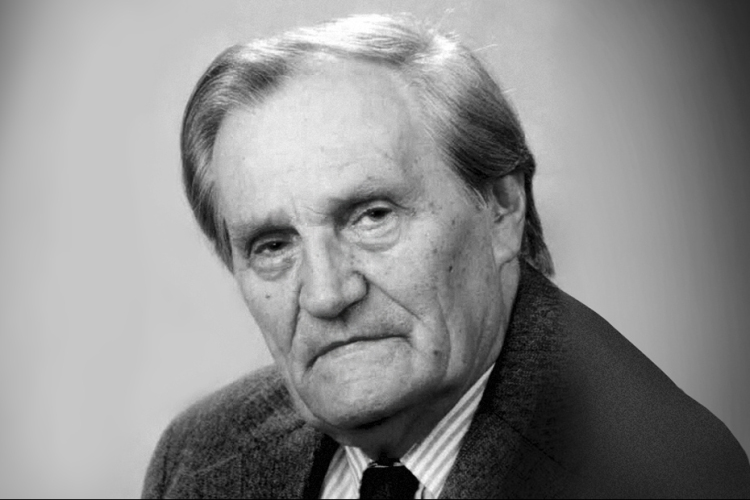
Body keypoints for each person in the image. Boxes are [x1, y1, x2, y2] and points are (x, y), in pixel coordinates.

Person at [143, 13, 750, 499]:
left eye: (372, 217)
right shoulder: (198, 460)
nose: (327, 294)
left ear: (502, 209)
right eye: (273, 246)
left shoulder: (661, 474)